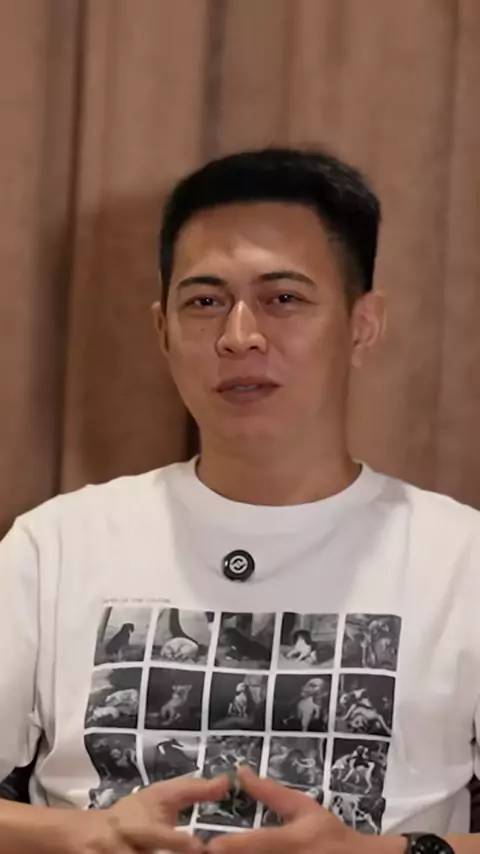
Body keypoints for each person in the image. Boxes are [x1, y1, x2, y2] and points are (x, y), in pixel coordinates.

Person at [0, 147, 479, 854]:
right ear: (163, 330)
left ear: (363, 325)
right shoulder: (56, 546)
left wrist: (375, 852)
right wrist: (85, 833)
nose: (239, 337)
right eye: (205, 302)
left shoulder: (460, 559)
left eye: (283, 299)